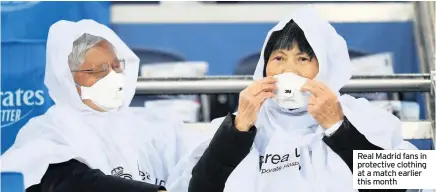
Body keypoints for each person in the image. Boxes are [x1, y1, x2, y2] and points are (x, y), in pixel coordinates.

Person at [173, 5, 418, 192]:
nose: (288, 71)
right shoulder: (236, 126)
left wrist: (338, 128)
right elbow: (198, 188)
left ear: (325, 69)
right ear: (264, 67)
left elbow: (409, 184)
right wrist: (237, 131)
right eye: (278, 58)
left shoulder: (365, 118)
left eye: (302, 59)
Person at [0, 20, 189, 192]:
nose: (112, 78)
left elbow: (193, 163)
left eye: (116, 67)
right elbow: (68, 182)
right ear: (67, 78)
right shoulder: (50, 131)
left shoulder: (149, 125)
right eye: (97, 71)